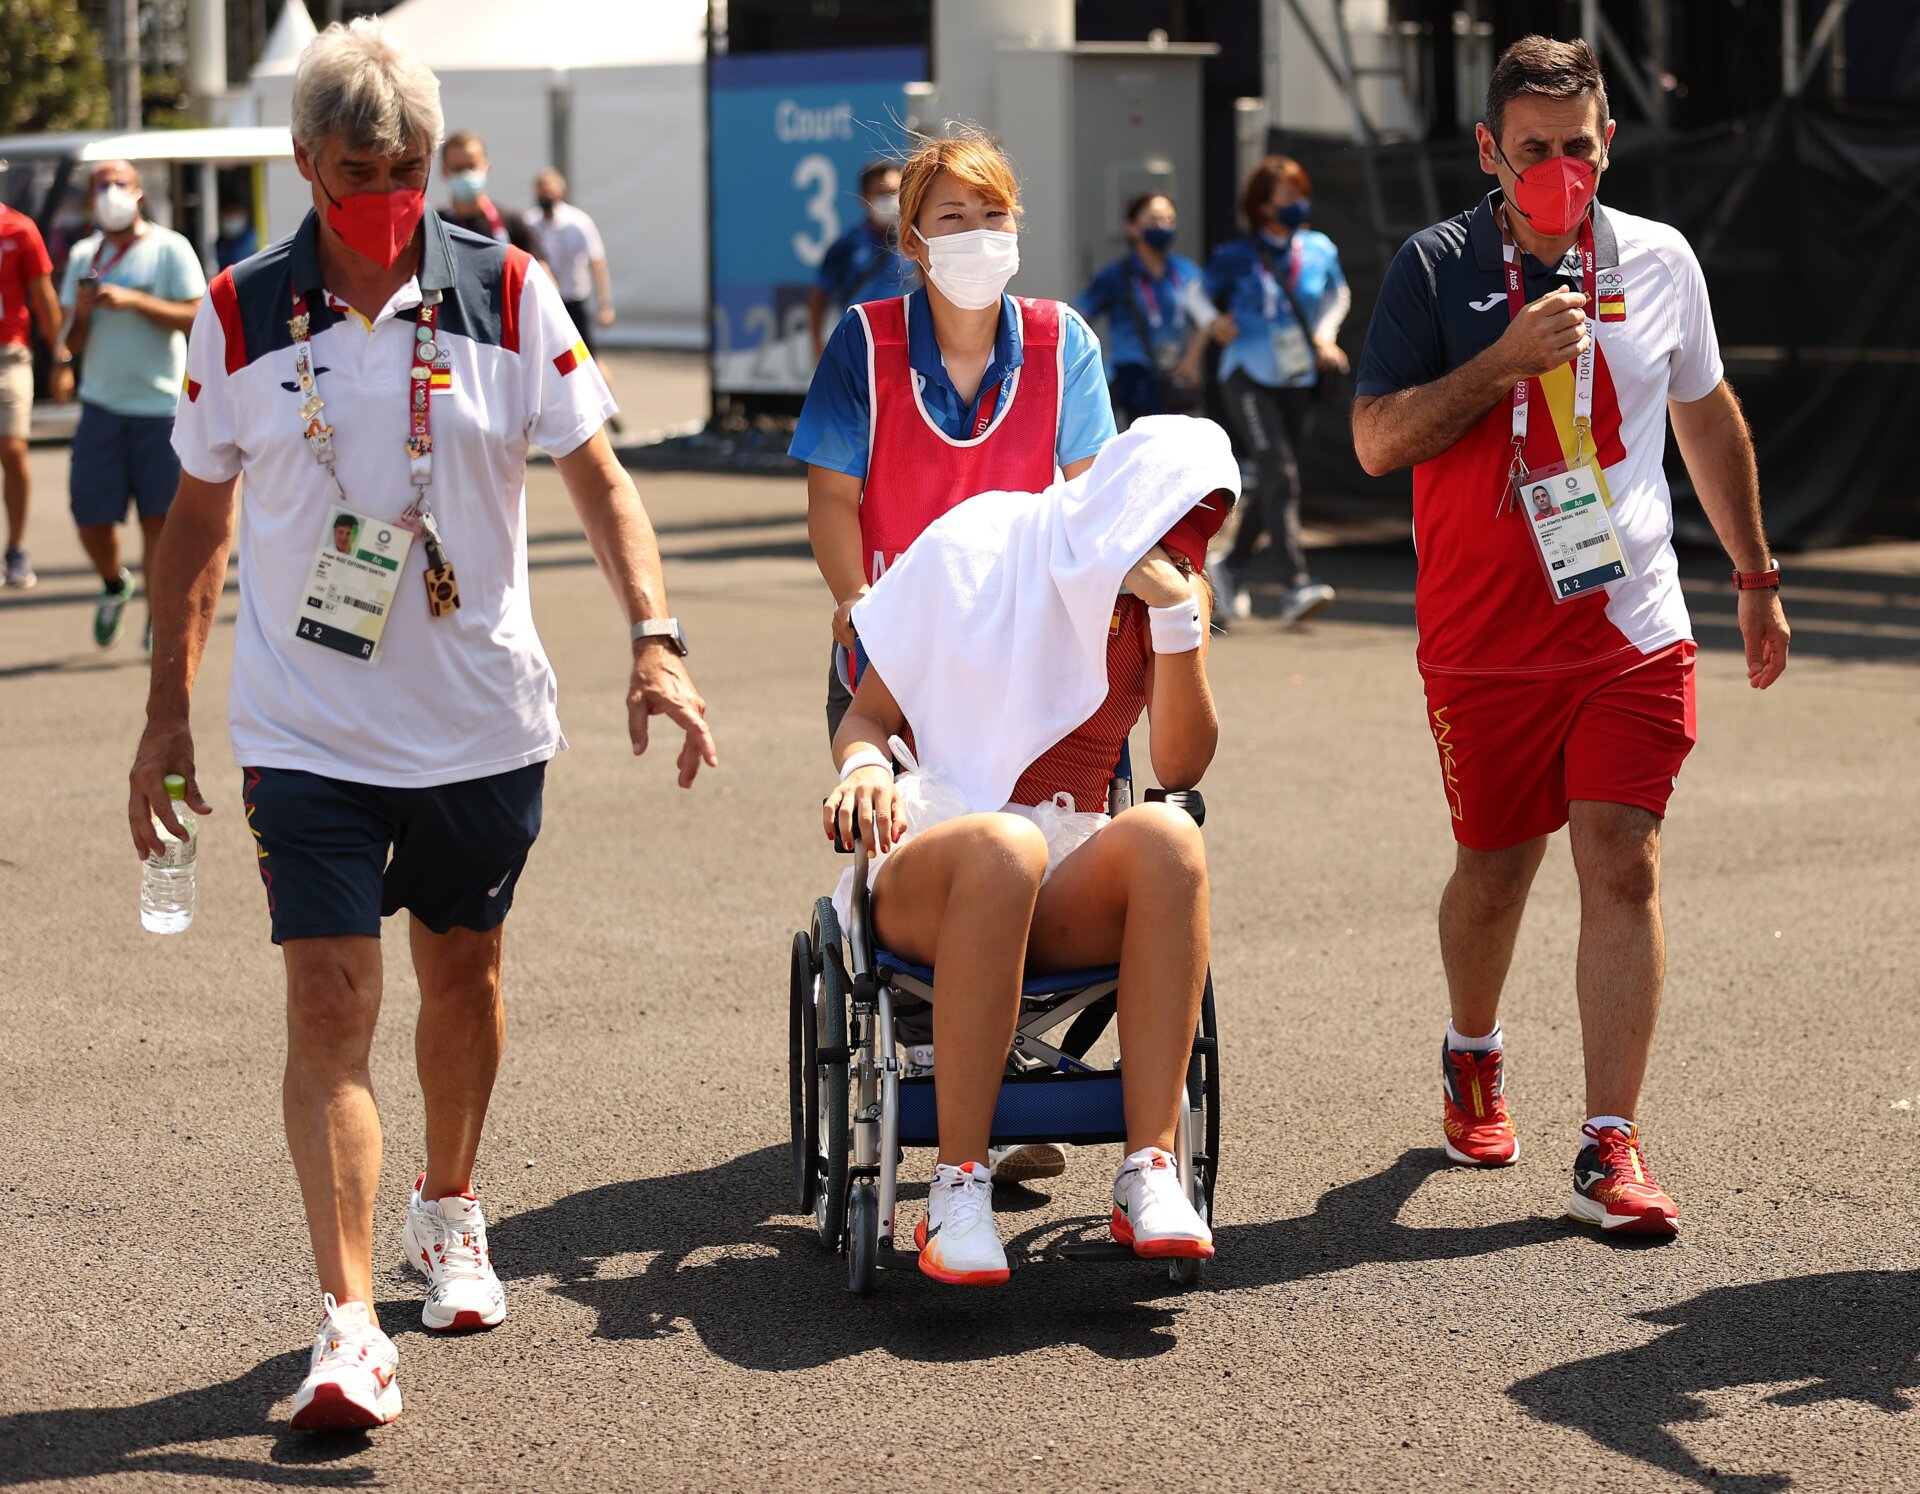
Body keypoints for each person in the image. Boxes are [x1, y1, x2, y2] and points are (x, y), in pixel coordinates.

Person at [128, 19, 717, 1432]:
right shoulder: (236, 314)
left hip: (478, 727)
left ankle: (448, 1202)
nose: (382, 195)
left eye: (401, 168)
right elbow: (196, 525)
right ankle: (346, 1327)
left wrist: (654, 640)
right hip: (305, 730)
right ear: (301, 163)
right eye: (352, 172)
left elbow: (602, 480)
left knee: (465, 981)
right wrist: (164, 709)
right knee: (331, 1002)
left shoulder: (509, 293)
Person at [1351, 36, 1790, 1237]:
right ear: (1492, 151)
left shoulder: (1659, 260)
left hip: (1630, 623)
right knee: (1496, 870)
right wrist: (1501, 362)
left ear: (1610, 144)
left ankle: (1610, 1142)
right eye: (1533, 150)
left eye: (1579, 147)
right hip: (1484, 639)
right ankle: (1473, 1047)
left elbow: (1705, 416)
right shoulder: (1435, 268)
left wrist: (1753, 573)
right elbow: (1378, 441)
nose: (1560, 170)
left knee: (1622, 860)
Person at [822, 419, 1235, 1285]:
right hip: (939, 842)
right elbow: (866, 717)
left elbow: (1181, 767)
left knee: (1168, 834)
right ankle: (958, 1190)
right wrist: (863, 769)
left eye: (1196, 539)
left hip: (1064, 861)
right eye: (1168, 530)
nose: (1181, 555)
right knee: (1007, 843)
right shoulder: (977, 542)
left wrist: (1171, 613)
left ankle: (1149, 1170)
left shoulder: (1172, 596)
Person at [791, 125, 1117, 1184]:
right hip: (910, 647)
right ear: (913, 240)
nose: (978, 235)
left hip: (1029, 653)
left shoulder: (1061, 340)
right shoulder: (871, 342)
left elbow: (1095, 498)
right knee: (938, 834)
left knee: (1043, 834)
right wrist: (855, 604)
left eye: (994, 216)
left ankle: (1004, 1056)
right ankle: (947, 1053)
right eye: (952, 219)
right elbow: (834, 494)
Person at [52, 161, 206, 651]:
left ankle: (157, 616)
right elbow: (68, 338)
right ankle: (114, 582)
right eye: (101, 186)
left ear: (139, 193)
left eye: (120, 184)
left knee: (157, 519)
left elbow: (197, 316)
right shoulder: (84, 255)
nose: (111, 192)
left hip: (160, 405)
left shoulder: (169, 248)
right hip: (101, 405)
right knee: (90, 516)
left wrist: (135, 302)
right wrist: (80, 321)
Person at [1202, 155, 1351, 625]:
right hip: (1246, 372)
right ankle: (1295, 584)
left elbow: (1338, 294)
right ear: (1263, 205)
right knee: (1278, 469)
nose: (1297, 204)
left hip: (1298, 374)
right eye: (1286, 197)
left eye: (1300, 195)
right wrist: (1213, 322)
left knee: (1275, 478)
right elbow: (1197, 292)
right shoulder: (1236, 255)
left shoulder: (1320, 248)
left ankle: (1232, 565)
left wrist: (1326, 335)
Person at [1077, 192, 1218, 428]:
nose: (1162, 226)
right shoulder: (1116, 276)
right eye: (1154, 219)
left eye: (1169, 220)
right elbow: (1080, 317)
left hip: (1175, 375)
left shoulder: (1185, 272)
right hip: (1133, 376)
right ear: (1132, 227)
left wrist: (1191, 361)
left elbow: (1206, 320)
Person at [527, 170, 622, 434]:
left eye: (550, 189)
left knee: (589, 356)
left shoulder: (577, 222)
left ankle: (609, 407)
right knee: (545, 357)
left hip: (573, 299)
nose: (545, 195)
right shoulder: (530, 223)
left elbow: (597, 263)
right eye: (540, 189)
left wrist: (605, 303)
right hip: (545, 301)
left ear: (561, 191)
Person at [0, 193, 63, 587]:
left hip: (9, 353)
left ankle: (16, 547)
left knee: (13, 447)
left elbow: (44, 297)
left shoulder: (19, 228)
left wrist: (61, 358)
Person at [807, 160, 914, 360]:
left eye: (894, 192)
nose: (890, 200)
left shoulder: (917, 241)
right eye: (882, 194)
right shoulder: (847, 245)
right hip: (860, 349)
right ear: (864, 199)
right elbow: (818, 296)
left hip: (909, 349)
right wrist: (817, 347)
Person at [438, 131, 539, 259]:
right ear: (444, 172)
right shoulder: (434, 226)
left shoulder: (513, 223)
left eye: (472, 167)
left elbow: (538, 272)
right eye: (458, 169)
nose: (465, 175)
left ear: (487, 167)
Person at [214, 199, 259, 271]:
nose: (231, 219)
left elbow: (236, 265)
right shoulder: (221, 242)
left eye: (234, 213)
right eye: (228, 215)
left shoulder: (250, 237)